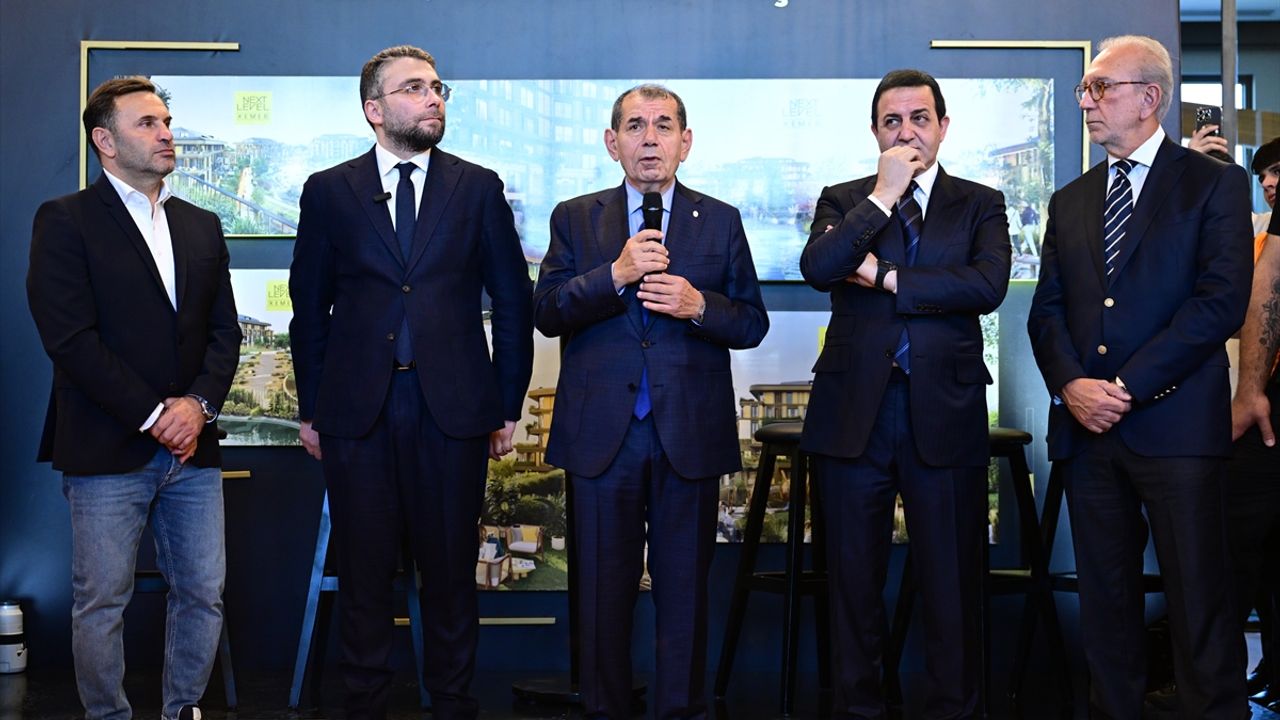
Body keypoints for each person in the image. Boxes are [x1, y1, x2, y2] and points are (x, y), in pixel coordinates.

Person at [289, 45, 533, 720]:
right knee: (365, 576)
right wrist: (311, 408)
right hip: (356, 413)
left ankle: (452, 705)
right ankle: (365, 705)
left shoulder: (477, 187)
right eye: (415, 88)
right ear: (374, 109)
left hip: (454, 411)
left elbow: (513, 300)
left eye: (437, 87)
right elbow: (308, 307)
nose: (433, 98)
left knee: (451, 575)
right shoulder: (328, 190)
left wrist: (507, 402)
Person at [1026, 35, 1253, 719]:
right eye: (1085, 90)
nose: (1087, 102)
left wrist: (1124, 389)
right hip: (1088, 434)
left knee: (1199, 600)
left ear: (1150, 97)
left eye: (1101, 88)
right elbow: (1047, 311)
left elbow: (1219, 303)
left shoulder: (1213, 183)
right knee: (1106, 604)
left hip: (1177, 428)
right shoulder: (1071, 200)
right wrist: (1071, 386)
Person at [532, 83, 768, 719]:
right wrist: (614, 274)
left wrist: (699, 306)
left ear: (685, 143)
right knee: (600, 595)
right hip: (602, 438)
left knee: (685, 595)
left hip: (687, 434)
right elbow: (546, 312)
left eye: (664, 126)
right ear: (612, 143)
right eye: (635, 126)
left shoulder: (721, 220)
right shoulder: (575, 217)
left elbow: (752, 322)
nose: (650, 138)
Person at [26, 76, 241, 720]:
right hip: (105, 445)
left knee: (203, 592)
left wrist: (197, 408)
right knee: (102, 601)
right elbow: (70, 339)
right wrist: (154, 416)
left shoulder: (201, 224)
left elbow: (225, 333)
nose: (166, 133)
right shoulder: (66, 219)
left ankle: (183, 711)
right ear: (105, 140)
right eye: (148, 123)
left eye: (166, 122)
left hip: (194, 449)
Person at [799, 68, 1010, 718]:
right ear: (874, 131)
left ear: (943, 126)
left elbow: (984, 287)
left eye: (920, 118)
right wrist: (883, 197)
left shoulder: (980, 202)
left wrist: (886, 276)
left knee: (951, 584)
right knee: (852, 586)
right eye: (892, 120)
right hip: (853, 415)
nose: (906, 131)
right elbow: (819, 267)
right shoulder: (844, 199)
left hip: (943, 409)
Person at [1225, 137, 1280, 711]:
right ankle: (1216, 679)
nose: (1268, 182)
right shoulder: (1260, 236)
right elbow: (1261, 292)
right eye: (1262, 174)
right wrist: (1251, 391)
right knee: (1244, 540)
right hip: (1264, 405)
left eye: (1278, 171)